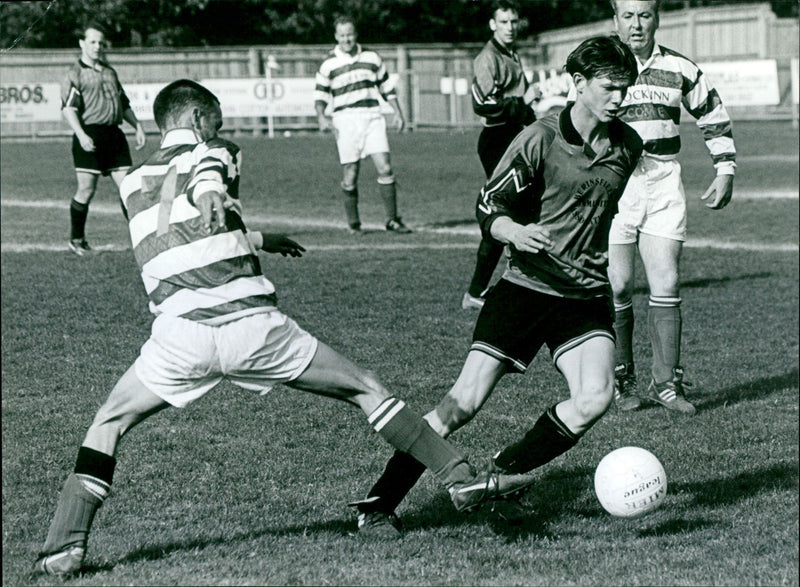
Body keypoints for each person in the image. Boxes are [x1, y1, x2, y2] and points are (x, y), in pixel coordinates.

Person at [31, 79, 534, 577]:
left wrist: (258, 236)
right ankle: (459, 476)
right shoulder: (217, 150)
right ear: (198, 121)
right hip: (253, 328)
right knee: (367, 388)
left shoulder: (129, 183)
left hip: (178, 338)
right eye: (216, 122)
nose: (218, 130)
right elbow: (206, 175)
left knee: (108, 423)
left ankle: (63, 547)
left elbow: (174, 224)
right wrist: (212, 191)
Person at [349, 35, 643, 537]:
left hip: (584, 295)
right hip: (526, 288)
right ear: (578, 83)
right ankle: (377, 504)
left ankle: (502, 475)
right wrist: (515, 232)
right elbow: (488, 206)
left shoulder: (628, 147)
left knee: (596, 397)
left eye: (625, 88)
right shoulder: (538, 139)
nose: (619, 98)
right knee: (460, 404)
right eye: (610, 88)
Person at [606, 0, 736, 414]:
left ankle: (666, 383)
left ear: (657, 18)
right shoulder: (601, 65)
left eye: (645, 14)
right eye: (627, 15)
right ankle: (621, 378)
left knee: (667, 281)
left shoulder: (681, 68)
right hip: (613, 185)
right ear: (615, 20)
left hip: (663, 182)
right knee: (619, 285)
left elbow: (712, 114)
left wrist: (725, 169)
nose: (637, 24)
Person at [463, 0, 540, 310]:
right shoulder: (488, 58)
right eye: (504, 21)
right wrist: (523, 101)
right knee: (506, 208)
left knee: (522, 205)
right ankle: (483, 289)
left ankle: (491, 287)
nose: (510, 27)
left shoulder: (510, 54)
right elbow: (483, 105)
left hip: (514, 135)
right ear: (492, 24)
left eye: (514, 21)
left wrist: (536, 124)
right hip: (497, 138)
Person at [314, 15, 412, 234]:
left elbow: (387, 87)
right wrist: (321, 116)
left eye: (349, 34)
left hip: (372, 117)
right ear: (335, 36)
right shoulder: (328, 63)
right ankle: (354, 224)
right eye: (342, 35)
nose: (346, 39)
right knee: (350, 172)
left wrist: (398, 113)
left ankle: (392, 220)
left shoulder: (372, 57)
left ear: (355, 34)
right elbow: (320, 95)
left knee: (385, 166)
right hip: (345, 121)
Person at [60, 23, 146, 256]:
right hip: (90, 133)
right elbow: (68, 109)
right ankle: (77, 240)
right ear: (82, 44)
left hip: (114, 135)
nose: (97, 47)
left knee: (128, 188)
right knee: (86, 190)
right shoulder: (74, 73)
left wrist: (137, 125)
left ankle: (143, 239)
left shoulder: (109, 72)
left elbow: (123, 103)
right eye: (92, 42)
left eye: (100, 42)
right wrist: (81, 134)